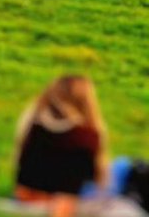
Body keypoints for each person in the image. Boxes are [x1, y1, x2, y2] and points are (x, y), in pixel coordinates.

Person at [11, 75, 149, 215]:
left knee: (125, 166)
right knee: (128, 168)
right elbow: (68, 194)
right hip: (69, 196)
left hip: (29, 194)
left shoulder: (33, 125)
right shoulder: (83, 138)